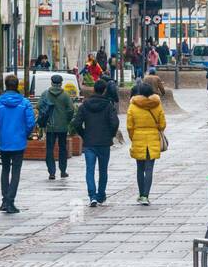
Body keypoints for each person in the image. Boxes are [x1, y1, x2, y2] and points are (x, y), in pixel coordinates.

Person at [0, 74, 35, 214]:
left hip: (4, 141)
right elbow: (31, 122)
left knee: (5, 170)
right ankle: (10, 200)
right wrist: (24, 134)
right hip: (19, 141)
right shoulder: (25, 103)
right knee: (16, 171)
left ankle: (4, 199)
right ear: (17, 86)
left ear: (5, 85)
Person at [70, 79, 119, 207]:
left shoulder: (85, 105)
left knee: (90, 170)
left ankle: (92, 196)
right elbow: (115, 123)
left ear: (94, 89)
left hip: (89, 142)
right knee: (103, 170)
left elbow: (76, 123)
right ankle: (101, 195)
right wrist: (111, 135)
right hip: (104, 142)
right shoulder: (108, 105)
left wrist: (83, 134)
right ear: (104, 90)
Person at [126, 81, 166, 205]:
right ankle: (145, 196)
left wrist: (133, 138)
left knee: (140, 168)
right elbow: (162, 124)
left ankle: (141, 193)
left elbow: (129, 126)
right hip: (153, 138)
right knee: (149, 169)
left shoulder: (133, 106)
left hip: (138, 138)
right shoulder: (157, 105)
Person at [38, 74, 75, 179]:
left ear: (51, 82)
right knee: (63, 149)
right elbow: (71, 109)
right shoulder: (65, 95)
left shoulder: (45, 94)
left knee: (50, 149)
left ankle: (52, 172)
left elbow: (39, 105)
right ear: (61, 83)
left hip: (50, 126)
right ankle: (63, 171)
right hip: (62, 127)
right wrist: (66, 119)